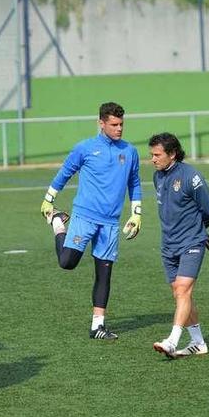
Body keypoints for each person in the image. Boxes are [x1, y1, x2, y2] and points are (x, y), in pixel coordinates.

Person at [40, 102, 142, 340]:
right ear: (101, 123)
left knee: (104, 273)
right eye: (114, 124)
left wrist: (136, 213)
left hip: (110, 223)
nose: (119, 129)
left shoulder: (129, 151)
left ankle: (98, 326)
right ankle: (58, 222)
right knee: (67, 262)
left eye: (121, 124)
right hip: (84, 217)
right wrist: (49, 199)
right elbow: (65, 172)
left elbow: (134, 183)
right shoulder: (84, 148)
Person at [148, 133, 209, 358]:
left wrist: (198, 231)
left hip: (191, 242)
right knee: (179, 294)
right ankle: (198, 342)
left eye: (157, 155)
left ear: (172, 154)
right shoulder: (157, 177)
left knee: (183, 289)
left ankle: (172, 341)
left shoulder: (191, 176)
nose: (153, 159)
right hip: (168, 245)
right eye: (152, 155)